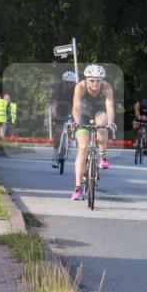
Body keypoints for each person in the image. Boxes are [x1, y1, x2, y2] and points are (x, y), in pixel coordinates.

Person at [71, 65, 115, 200]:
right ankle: (78, 188)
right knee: (83, 147)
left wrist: (111, 122)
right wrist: (77, 122)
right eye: (91, 80)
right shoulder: (80, 87)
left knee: (102, 123)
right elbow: (76, 107)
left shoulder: (106, 87)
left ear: (102, 80)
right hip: (83, 112)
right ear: (86, 79)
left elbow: (110, 106)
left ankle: (103, 157)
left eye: (98, 80)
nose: (95, 83)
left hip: (99, 111)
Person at [51, 71, 77, 166]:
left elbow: (79, 101)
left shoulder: (76, 88)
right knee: (58, 132)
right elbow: (54, 101)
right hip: (60, 108)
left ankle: (73, 138)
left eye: (71, 82)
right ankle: (55, 156)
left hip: (72, 107)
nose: (69, 84)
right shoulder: (58, 87)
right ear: (64, 81)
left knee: (78, 121)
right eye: (67, 82)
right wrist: (54, 111)